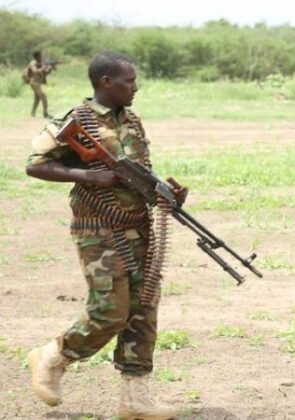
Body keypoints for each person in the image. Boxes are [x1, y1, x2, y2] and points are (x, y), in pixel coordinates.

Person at [25, 51, 184, 419]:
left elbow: (141, 169)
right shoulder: (76, 120)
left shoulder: (131, 119)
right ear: (105, 83)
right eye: (129, 80)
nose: (136, 86)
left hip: (138, 226)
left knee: (143, 311)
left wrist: (165, 193)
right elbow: (36, 165)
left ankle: (135, 399)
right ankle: (53, 357)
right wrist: (86, 176)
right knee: (111, 311)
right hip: (98, 230)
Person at [26, 50, 54, 119]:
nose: (41, 57)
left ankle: (33, 113)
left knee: (37, 99)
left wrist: (50, 69)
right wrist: (43, 67)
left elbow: (45, 73)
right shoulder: (33, 63)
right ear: (36, 56)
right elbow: (35, 71)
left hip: (38, 83)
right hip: (34, 83)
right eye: (40, 56)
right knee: (43, 96)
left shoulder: (40, 63)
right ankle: (45, 113)